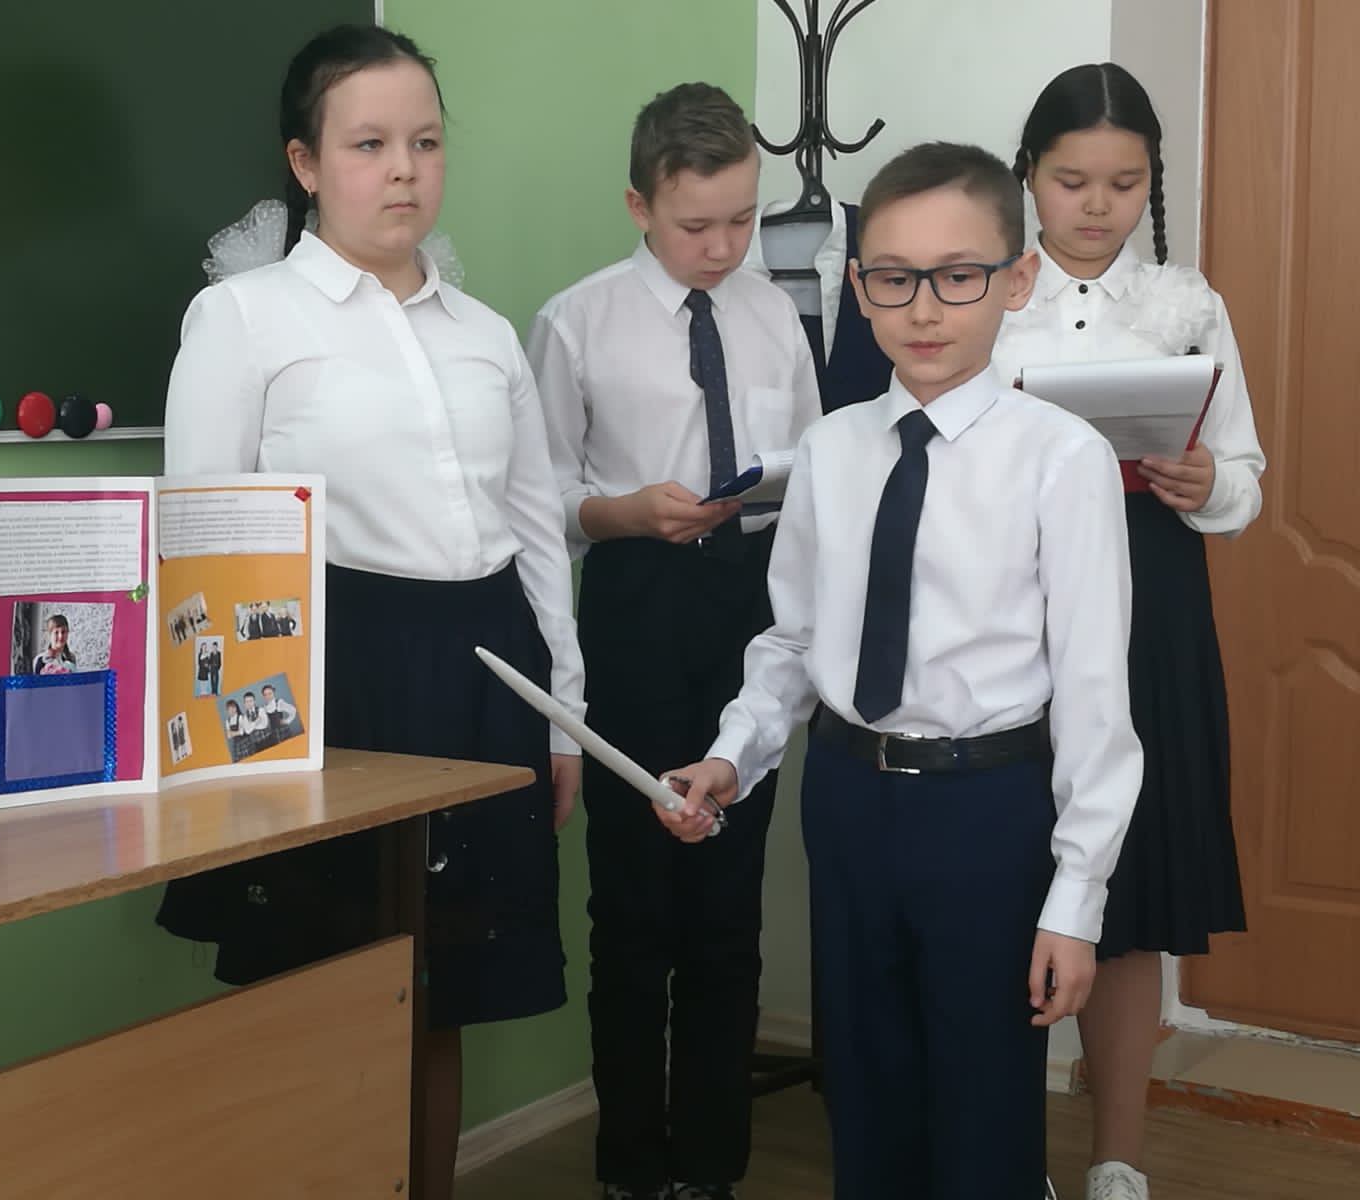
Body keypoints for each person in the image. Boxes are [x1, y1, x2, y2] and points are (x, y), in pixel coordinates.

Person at [663, 142, 1143, 1200]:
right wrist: (732, 757)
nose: (924, 309)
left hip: (988, 808)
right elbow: (793, 641)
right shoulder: (831, 450)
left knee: (982, 1104)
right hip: (846, 801)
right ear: (858, 287)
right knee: (866, 1090)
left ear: (1016, 279)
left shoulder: (1062, 460)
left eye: (958, 275)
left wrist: (1077, 898)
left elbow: (1095, 696)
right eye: (892, 278)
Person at [155, 23, 584, 1198]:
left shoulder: (484, 333)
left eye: (425, 143)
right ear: (305, 162)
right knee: (324, 983)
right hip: (328, 676)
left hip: (485, 671)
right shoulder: (244, 319)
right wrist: (221, 748)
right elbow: (201, 540)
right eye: (369, 144)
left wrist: (562, 712)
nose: (403, 169)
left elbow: (534, 531)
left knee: (438, 989)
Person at [527, 82, 818, 1200]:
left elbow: (810, 471)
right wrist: (625, 513)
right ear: (639, 205)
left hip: (750, 608)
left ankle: (710, 1169)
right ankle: (629, 1169)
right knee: (635, 909)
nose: (724, 247)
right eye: (697, 224)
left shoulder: (773, 316)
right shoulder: (576, 322)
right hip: (634, 607)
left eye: (742, 219)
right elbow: (543, 501)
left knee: (726, 910)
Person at [993, 63, 1267, 1200]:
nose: (1096, 206)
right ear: (1028, 177)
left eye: (1123, 182)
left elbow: (1243, 479)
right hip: (1011, 602)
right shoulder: (984, 294)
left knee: (1131, 892)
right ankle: (1004, 1156)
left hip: (1151, 596)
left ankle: (1117, 1160)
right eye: (1071, 181)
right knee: (1006, 880)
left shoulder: (1187, 307)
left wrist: (1206, 481)